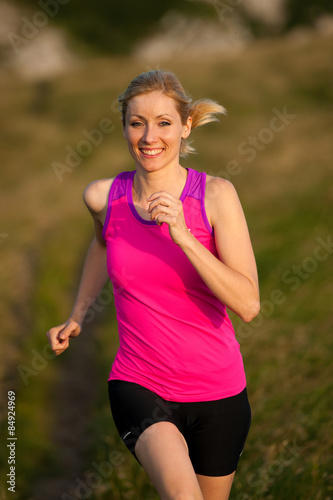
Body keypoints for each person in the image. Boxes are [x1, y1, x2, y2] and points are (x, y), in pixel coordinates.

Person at [47, 70, 260, 500]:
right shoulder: (104, 196)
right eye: (136, 122)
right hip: (140, 382)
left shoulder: (217, 196)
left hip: (219, 393)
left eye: (163, 122)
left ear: (185, 127)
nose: (149, 137)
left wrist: (184, 236)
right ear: (124, 127)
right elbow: (102, 245)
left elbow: (248, 304)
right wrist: (77, 313)